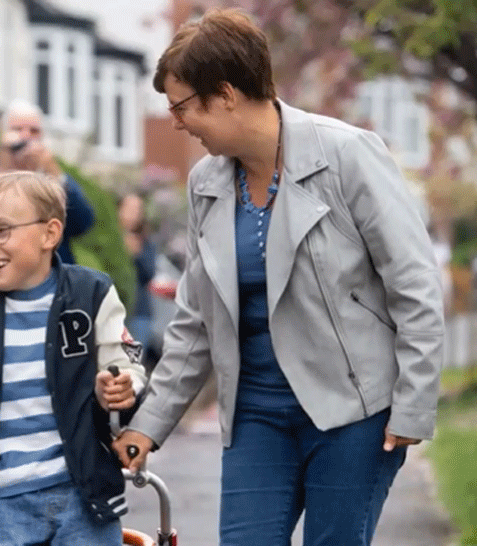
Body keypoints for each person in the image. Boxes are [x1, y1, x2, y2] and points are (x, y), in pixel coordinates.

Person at [113, 9, 445, 546]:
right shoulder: (206, 183)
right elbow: (196, 321)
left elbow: (415, 286)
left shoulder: (347, 155)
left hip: (353, 411)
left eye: (181, 106)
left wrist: (413, 406)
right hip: (257, 416)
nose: (176, 122)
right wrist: (147, 424)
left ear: (225, 95)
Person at [0, 171, 147, 545]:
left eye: (1, 231)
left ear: (49, 234)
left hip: (84, 493)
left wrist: (119, 386)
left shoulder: (92, 293)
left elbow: (127, 363)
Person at [0, 99, 94, 264]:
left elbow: (83, 223)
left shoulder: (52, 179)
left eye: (34, 131)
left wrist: (55, 174)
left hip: (53, 268)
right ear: (3, 136)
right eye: (17, 129)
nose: (26, 136)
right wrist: (2, 170)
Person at [117, 192, 159, 369]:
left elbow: (149, 274)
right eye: (129, 208)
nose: (133, 214)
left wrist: (137, 254)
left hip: (139, 313)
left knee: (133, 367)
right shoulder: (110, 239)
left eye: (137, 210)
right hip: (115, 311)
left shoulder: (146, 241)